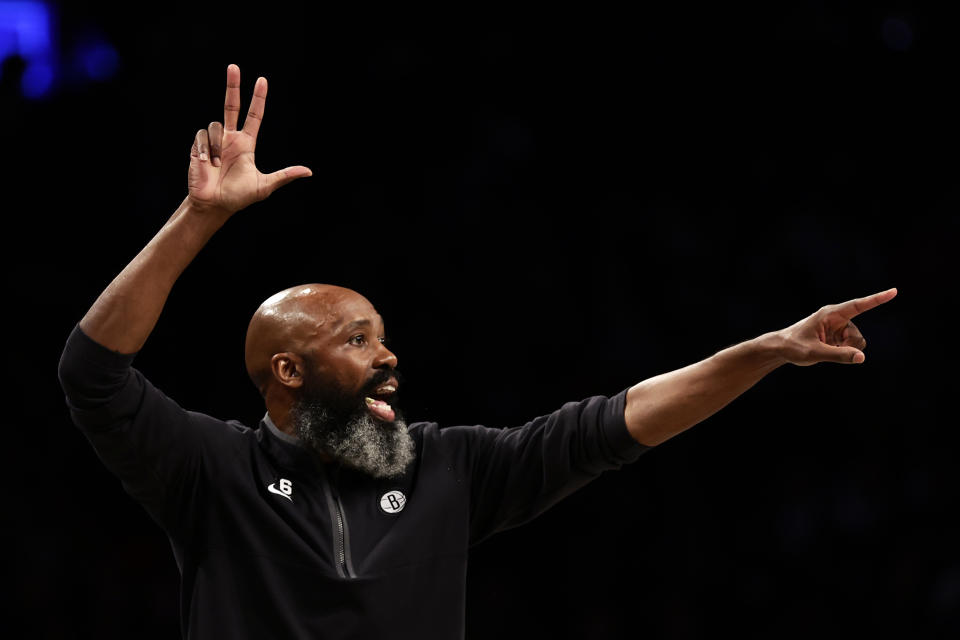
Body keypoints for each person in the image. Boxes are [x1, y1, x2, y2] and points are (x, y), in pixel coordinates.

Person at [57, 64, 897, 639]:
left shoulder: (447, 469)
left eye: (384, 338)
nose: (389, 359)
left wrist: (764, 350)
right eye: (358, 341)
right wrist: (200, 219)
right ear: (288, 371)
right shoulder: (209, 472)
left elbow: (617, 425)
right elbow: (93, 374)